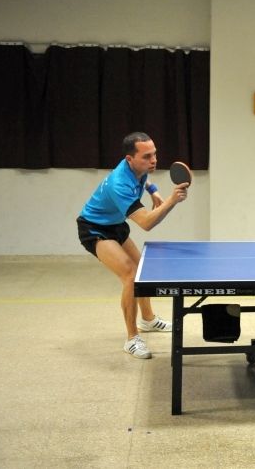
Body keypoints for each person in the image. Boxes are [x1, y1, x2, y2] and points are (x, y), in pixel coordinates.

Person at [77, 132, 189, 359]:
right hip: (94, 229)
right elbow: (147, 223)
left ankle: (148, 320)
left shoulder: (136, 168)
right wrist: (171, 200)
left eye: (154, 154)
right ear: (130, 159)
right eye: (147, 156)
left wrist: (154, 192)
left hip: (115, 225)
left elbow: (144, 179)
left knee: (141, 272)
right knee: (129, 275)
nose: (154, 160)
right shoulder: (120, 183)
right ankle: (132, 339)